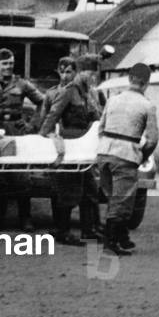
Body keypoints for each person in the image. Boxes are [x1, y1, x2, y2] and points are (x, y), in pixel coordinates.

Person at [39, 53, 103, 245]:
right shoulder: (69, 91)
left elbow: (95, 117)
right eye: (88, 73)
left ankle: (88, 231)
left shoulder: (87, 93)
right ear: (80, 73)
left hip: (85, 147)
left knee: (90, 190)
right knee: (69, 190)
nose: (91, 77)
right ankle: (63, 231)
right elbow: (52, 116)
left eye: (94, 74)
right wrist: (45, 135)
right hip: (70, 147)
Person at [97, 63, 159, 256]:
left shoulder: (112, 100)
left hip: (104, 153)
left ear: (129, 79)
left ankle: (122, 237)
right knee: (122, 202)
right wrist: (142, 156)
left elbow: (100, 128)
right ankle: (110, 244)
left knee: (112, 196)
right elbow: (152, 139)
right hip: (126, 155)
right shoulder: (147, 105)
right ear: (146, 83)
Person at [0, 48, 44, 231]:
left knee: (21, 175)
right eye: (4, 63)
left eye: (11, 63)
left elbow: (43, 102)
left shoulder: (22, 84)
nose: (8, 67)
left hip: (16, 132)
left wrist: (32, 125)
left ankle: (25, 217)